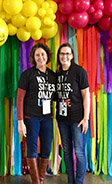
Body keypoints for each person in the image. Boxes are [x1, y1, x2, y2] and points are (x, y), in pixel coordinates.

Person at [16, 43, 57, 184]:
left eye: (43, 54)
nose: (41, 57)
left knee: (46, 148)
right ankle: (36, 182)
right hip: (31, 117)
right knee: (32, 148)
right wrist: (20, 121)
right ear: (34, 57)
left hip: (47, 117)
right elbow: (20, 98)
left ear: (47, 56)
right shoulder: (27, 74)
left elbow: (57, 96)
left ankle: (40, 179)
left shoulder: (53, 75)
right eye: (37, 54)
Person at [56, 43, 90, 184]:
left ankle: (79, 181)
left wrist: (86, 118)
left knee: (79, 153)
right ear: (59, 56)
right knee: (67, 152)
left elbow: (85, 96)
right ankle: (71, 180)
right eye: (62, 54)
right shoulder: (57, 73)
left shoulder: (79, 71)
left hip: (77, 119)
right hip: (62, 119)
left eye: (67, 53)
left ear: (72, 56)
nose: (65, 56)